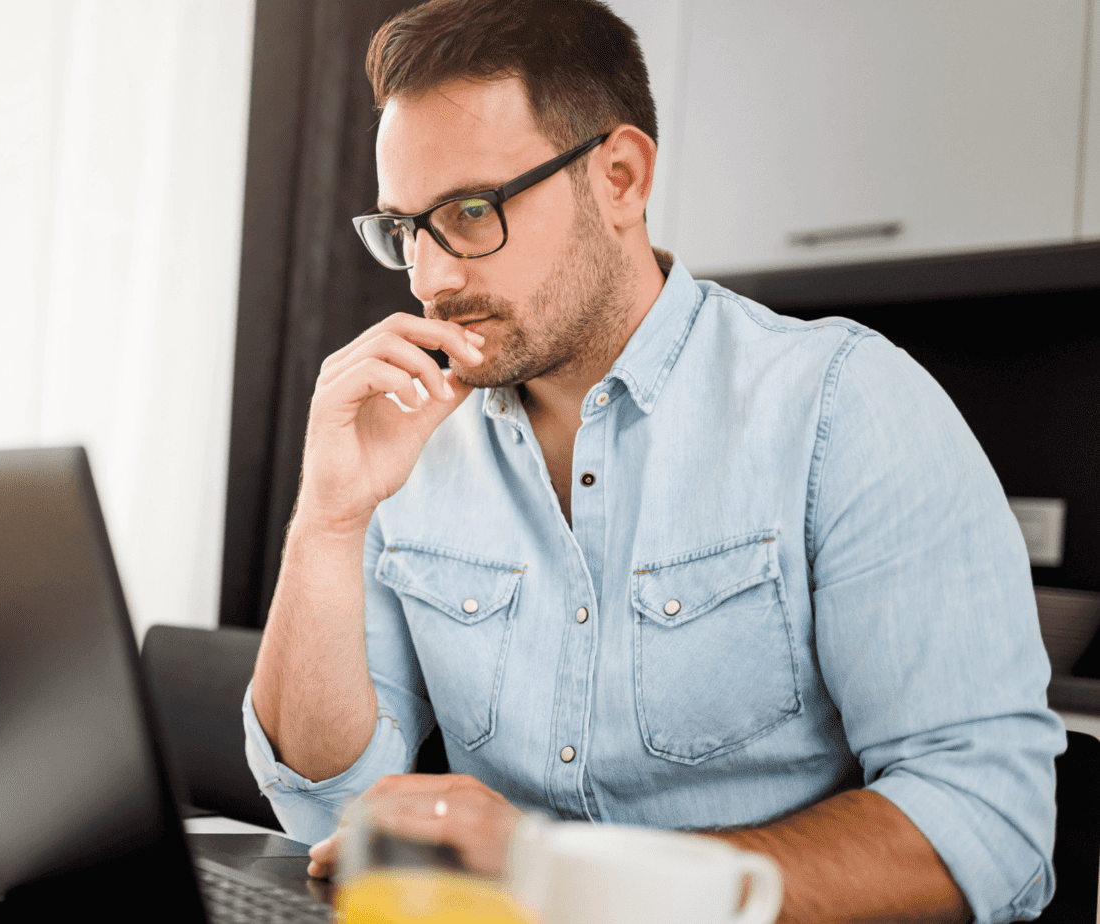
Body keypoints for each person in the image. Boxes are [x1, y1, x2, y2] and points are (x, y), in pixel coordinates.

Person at [240, 1, 1065, 922]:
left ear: (620, 178)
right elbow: (320, 808)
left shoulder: (843, 403)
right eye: (405, 229)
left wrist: (561, 873)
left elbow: (989, 827)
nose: (431, 278)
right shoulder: (413, 440)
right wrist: (327, 518)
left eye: (470, 213)